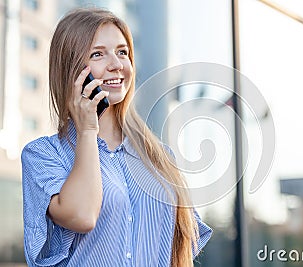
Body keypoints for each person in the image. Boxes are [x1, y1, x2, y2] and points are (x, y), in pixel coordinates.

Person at [21, 7, 212, 267]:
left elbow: (181, 252)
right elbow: (82, 215)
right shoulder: (43, 155)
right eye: (98, 54)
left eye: (122, 52)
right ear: (72, 70)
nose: (117, 64)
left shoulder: (161, 157)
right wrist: (88, 131)